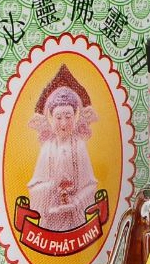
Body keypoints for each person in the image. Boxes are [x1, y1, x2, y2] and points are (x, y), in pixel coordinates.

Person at [27, 84, 98, 232]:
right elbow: (34, 187)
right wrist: (52, 187)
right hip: (51, 218)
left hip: (74, 217)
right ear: (51, 118)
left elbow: (90, 185)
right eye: (58, 118)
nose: (64, 123)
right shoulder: (47, 148)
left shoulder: (79, 147)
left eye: (68, 117)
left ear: (75, 116)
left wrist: (76, 202)